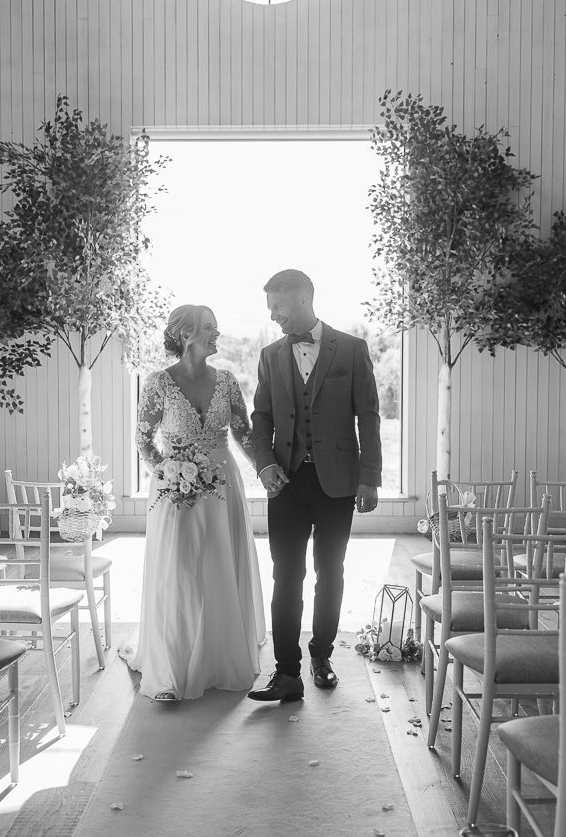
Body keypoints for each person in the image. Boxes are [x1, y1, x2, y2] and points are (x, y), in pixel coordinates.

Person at [120, 304, 266, 701]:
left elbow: (243, 432)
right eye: (209, 329)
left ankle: (219, 654)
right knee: (179, 570)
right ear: (186, 335)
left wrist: (264, 469)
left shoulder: (228, 381)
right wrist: (165, 472)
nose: (217, 335)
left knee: (219, 563)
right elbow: (143, 440)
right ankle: (170, 667)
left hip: (223, 485)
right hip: (174, 489)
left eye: (217, 328)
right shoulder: (157, 383)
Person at [248, 269, 382, 702]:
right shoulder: (270, 356)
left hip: (338, 482)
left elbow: (369, 416)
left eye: (279, 307)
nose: (274, 317)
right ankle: (286, 671)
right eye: (270, 309)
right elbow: (261, 418)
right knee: (286, 576)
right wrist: (264, 465)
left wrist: (369, 478)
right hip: (286, 482)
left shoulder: (352, 349)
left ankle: (321, 655)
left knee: (331, 574)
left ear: (303, 298)